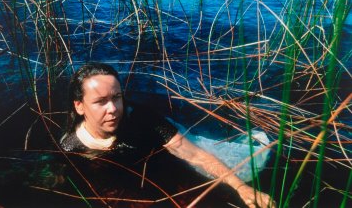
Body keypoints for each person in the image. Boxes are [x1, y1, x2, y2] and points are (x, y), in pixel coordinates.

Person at [60, 62, 276, 208]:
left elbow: (194, 155)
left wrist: (242, 187)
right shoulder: (71, 147)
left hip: (166, 178)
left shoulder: (143, 119)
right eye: (100, 102)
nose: (114, 109)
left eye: (117, 97)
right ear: (79, 106)